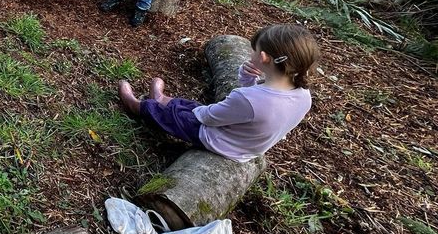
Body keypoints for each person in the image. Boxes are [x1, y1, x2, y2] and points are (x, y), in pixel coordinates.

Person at [117, 24, 320, 162]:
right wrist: (249, 78)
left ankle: (139, 106)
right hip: (246, 143)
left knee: (181, 115)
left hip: (222, 143)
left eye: (254, 50)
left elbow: (210, 117)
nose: (252, 54)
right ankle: (162, 98)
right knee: (191, 107)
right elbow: (257, 107)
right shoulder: (303, 95)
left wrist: (198, 112)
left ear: (264, 57)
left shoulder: (247, 99)